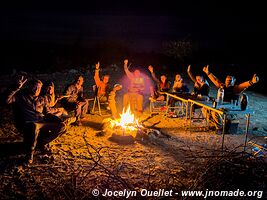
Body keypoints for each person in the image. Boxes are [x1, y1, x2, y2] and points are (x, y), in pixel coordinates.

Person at [6, 78, 70, 164]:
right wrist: (15, 87)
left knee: (62, 126)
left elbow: (47, 112)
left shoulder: (41, 99)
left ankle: (40, 144)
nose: (37, 90)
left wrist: (58, 120)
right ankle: (30, 153)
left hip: (42, 122)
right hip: (28, 124)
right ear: (29, 87)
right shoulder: (21, 97)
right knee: (34, 126)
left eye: (39, 88)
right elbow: (6, 100)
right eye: (35, 87)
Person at [202, 65, 259, 133]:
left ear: (233, 81)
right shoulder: (222, 86)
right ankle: (214, 124)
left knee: (215, 113)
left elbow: (244, 85)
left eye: (230, 80)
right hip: (221, 107)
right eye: (227, 80)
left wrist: (251, 81)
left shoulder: (236, 89)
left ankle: (220, 128)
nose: (228, 82)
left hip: (231, 111)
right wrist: (208, 73)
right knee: (205, 109)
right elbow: (215, 80)